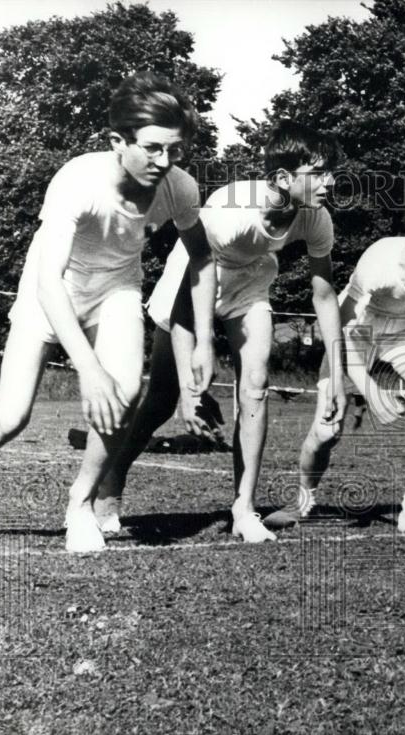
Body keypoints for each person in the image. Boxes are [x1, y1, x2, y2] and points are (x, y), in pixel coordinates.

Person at [0, 72, 216, 552]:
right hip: (53, 290)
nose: (164, 162)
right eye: (152, 148)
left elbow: (203, 257)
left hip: (117, 289)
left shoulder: (179, 187)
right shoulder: (77, 180)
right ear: (117, 141)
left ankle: (80, 504)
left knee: (124, 392)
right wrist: (87, 366)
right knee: (10, 418)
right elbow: (48, 281)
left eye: (174, 150)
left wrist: (204, 342)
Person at [93, 121, 346, 543]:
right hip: (193, 282)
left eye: (330, 172)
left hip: (250, 283)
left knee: (256, 385)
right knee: (161, 401)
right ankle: (110, 484)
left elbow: (324, 296)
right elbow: (185, 306)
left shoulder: (317, 219)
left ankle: (243, 509)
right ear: (284, 179)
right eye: (318, 173)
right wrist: (195, 379)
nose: (330, 182)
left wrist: (338, 374)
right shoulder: (231, 211)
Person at [264, 188, 405, 535]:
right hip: (355, 331)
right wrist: (369, 388)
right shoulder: (380, 261)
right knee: (328, 430)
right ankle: (302, 501)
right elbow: (341, 329)